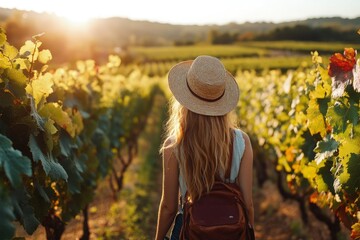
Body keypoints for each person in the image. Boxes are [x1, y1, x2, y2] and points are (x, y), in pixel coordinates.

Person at [155, 55, 254, 240]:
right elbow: (247, 203)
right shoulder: (242, 141)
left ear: (184, 102)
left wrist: (158, 238)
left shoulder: (174, 145)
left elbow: (169, 208)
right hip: (231, 229)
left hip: (191, 230)